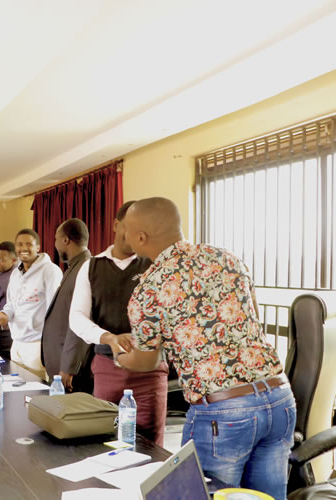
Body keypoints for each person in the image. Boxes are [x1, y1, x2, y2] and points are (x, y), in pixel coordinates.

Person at [114, 197, 294, 499]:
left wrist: (121, 357)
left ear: (140, 237)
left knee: (206, 495)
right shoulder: (227, 258)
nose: (124, 236)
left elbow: (146, 362)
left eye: (126, 231)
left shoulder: (148, 288)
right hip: (279, 398)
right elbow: (251, 319)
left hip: (224, 412)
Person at [68, 202, 167, 445]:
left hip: (150, 371)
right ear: (116, 225)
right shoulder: (92, 266)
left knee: (151, 444)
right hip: (107, 367)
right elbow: (76, 317)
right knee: (106, 439)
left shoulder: (155, 265)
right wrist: (108, 338)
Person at [0, 229, 62, 379]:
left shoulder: (50, 271)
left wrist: (51, 345)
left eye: (28, 244)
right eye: (19, 244)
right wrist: (5, 314)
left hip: (37, 344)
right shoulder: (16, 273)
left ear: (38, 247)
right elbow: (11, 303)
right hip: (16, 342)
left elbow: (56, 310)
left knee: (37, 389)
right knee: (17, 388)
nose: (23, 248)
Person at [40, 219, 93, 392]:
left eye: (56, 239)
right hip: (62, 363)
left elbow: (82, 320)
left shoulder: (85, 269)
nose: (55, 245)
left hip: (71, 370)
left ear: (65, 240)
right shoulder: (74, 267)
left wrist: (69, 367)